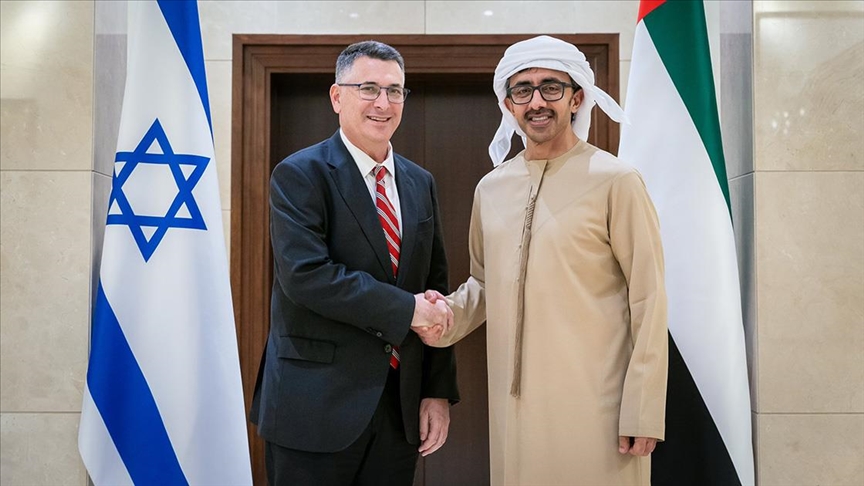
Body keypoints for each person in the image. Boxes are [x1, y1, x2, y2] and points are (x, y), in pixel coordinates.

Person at [415, 35, 668, 486]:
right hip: (513, 408)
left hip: (600, 407)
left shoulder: (617, 181)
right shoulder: (491, 188)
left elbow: (649, 299)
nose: (537, 102)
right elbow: (485, 284)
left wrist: (643, 408)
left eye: (551, 87)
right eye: (523, 90)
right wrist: (444, 319)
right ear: (508, 104)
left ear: (576, 98)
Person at [250, 40, 459, 486]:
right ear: (336, 97)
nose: (383, 103)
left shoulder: (420, 182)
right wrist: (408, 310)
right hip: (314, 407)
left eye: (395, 91)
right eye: (368, 88)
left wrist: (437, 391)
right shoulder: (299, 174)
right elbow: (307, 277)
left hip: (399, 410)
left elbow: (435, 287)